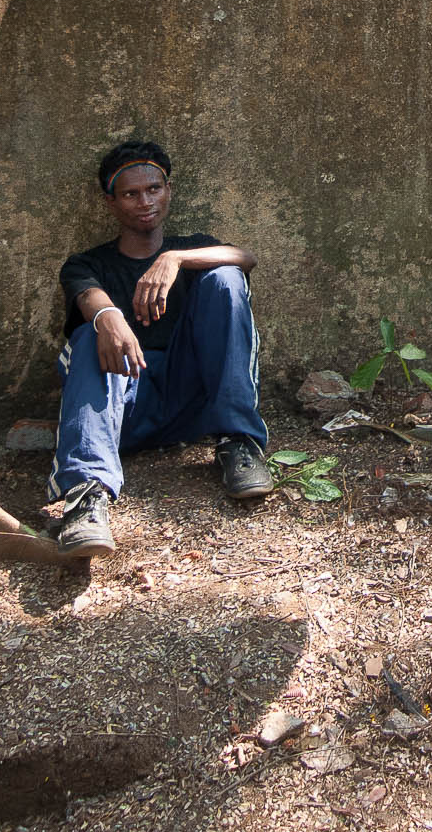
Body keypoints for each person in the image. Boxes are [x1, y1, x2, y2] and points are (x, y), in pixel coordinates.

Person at [49, 139, 274, 560]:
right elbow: (87, 295)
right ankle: (85, 495)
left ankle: (239, 442)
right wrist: (108, 317)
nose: (145, 202)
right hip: (123, 410)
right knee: (89, 333)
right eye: (130, 194)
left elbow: (244, 256)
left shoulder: (193, 247)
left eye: (153, 189)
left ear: (168, 190)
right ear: (111, 202)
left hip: (192, 405)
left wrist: (174, 259)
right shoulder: (88, 264)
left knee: (226, 277)